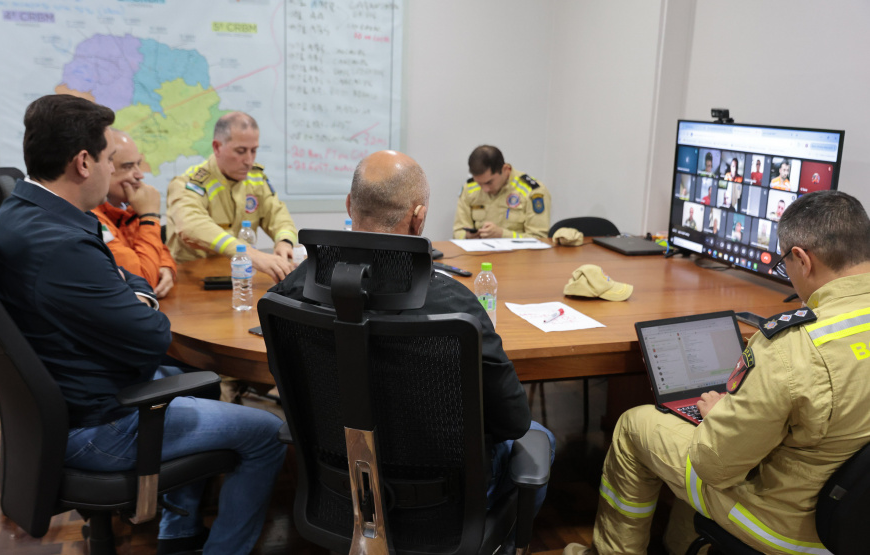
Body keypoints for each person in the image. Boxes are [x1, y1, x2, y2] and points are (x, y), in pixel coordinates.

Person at [0, 95, 286, 555]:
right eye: (110, 160)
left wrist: (132, 292)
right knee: (267, 434)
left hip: (64, 404)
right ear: (84, 162)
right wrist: (138, 297)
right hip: (99, 425)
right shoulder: (61, 243)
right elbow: (152, 336)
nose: (118, 172)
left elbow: (124, 279)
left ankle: (177, 532)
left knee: (197, 384)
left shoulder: (27, 214)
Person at [271, 150, 555, 551]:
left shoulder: (293, 289)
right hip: (442, 505)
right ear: (419, 217)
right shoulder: (455, 304)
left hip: (338, 485)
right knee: (541, 436)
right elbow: (513, 422)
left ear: (350, 206)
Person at [564, 190, 870, 555]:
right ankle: (682, 545)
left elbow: (715, 467)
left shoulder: (790, 347)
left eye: (784, 264)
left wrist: (718, 417)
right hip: (856, 522)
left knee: (635, 425)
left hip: (788, 528)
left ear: (803, 260)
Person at [166, 111, 297, 283]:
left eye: (253, 151)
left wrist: (284, 242)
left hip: (241, 278)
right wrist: (249, 253)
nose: (249, 160)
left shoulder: (256, 178)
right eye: (241, 151)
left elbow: (278, 215)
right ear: (217, 147)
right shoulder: (189, 183)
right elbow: (190, 225)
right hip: (193, 279)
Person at [91, 129, 176, 297]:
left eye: (138, 164)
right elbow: (143, 282)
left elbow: (158, 250)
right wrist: (150, 218)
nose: (140, 175)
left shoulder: (127, 208)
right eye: (128, 166)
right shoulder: (91, 217)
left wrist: (166, 267)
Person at [452, 145, 551, 239]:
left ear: (505, 169)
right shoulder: (469, 189)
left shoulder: (532, 191)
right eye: (479, 183)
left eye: (489, 182)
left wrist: (502, 234)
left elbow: (539, 238)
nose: (485, 189)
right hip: (477, 254)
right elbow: (458, 231)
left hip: (517, 255)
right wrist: (467, 236)